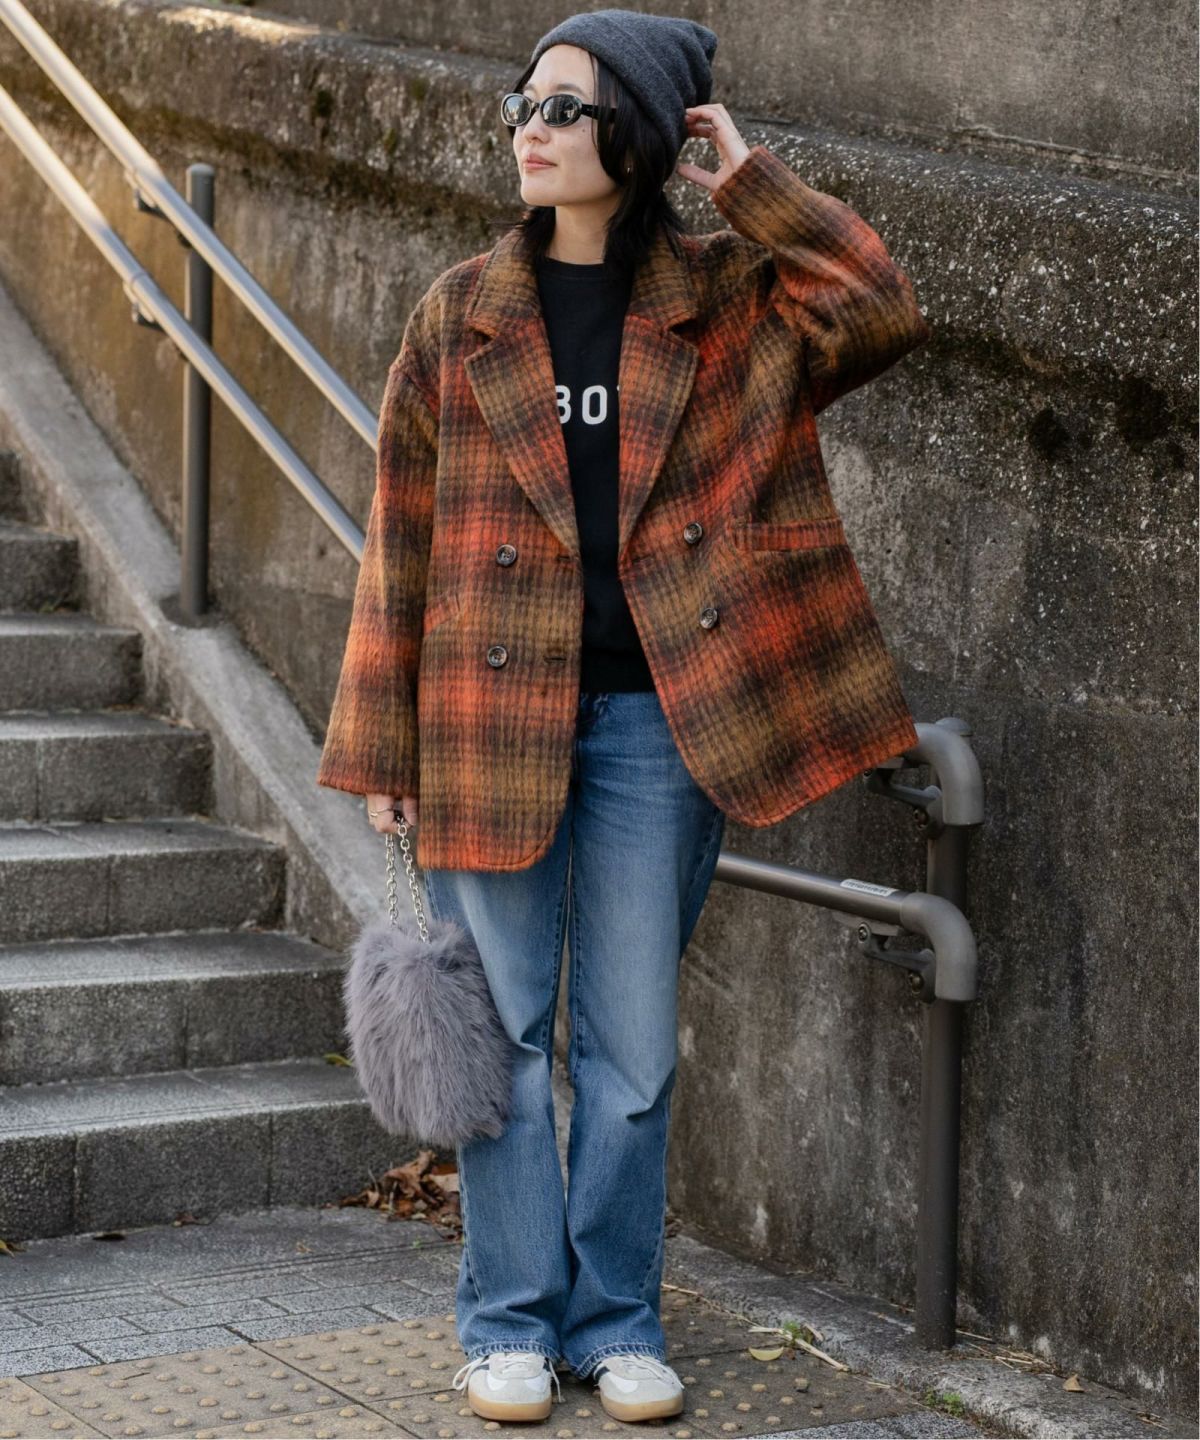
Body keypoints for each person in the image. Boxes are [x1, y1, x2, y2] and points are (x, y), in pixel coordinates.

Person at [316, 7, 931, 1425]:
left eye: (567, 107)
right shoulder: (461, 310)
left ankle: (616, 1321)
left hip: (664, 725)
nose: (530, 128)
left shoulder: (729, 301)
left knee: (634, 1053)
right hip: (485, 718)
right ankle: (508, 1324)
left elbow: (879, 307)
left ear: (638, 138)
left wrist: (749, 179)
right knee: (506, 1043)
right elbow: (399, 535)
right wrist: (382, 747)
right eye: (523, 101)